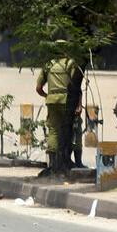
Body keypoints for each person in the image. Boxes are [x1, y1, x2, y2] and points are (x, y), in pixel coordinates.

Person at [37, 43, 78, 177]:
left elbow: (38, 88)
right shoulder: (70, 63)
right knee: (68, 129)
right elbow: (75, 84)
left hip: (52, 101)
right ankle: (67, 161)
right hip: (66, 101)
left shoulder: (48, 65)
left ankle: (53, 165)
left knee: (54, 131)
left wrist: (47, 96)